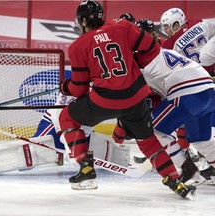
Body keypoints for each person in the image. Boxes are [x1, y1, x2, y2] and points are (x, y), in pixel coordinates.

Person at [58, 0, 196, 199]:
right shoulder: (121, 26)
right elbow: (152, 48)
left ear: (85, 20)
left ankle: (86, 169)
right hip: (135, 99)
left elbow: (79, 89)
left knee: (67, 118)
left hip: (103, 101)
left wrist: (65, 87)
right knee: (148, 141)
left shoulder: (77, 46)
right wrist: (136, 63)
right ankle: (174, 179)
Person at [137, 46, 215, 186]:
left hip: (187, 92)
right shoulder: (165, 50)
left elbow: (145, 96)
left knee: (154, 129)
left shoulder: (141, 65)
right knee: (201, 140)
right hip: (209, 89)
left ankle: (187, 167)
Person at [160, 8, 215, 181]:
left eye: (168, 27)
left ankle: (190, 157)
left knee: (189, 126)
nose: (168, 31)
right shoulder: (199, 22)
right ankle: (198, 157)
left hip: (197, 86)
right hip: (210, 78)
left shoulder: (169, 45)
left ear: (176, 23)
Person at [160, 7, 215, 76]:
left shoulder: (169, 44)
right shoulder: (198, 22)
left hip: (195, 76)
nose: (165, 30)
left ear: (176, 25)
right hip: (210, 67)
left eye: (166, 27)